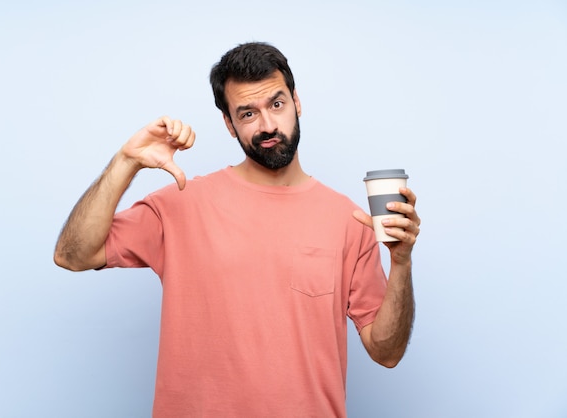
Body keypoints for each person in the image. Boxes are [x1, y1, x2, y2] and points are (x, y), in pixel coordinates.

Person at [54, 42, 420, 417]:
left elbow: (386, 351)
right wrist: (126, 161)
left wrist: (402, 264)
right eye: (247, 113)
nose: (267, 125)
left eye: (276, 104)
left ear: (296, 102)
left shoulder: (347, 219)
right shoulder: (181, 203)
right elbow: (72, 254)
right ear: (229, 124)